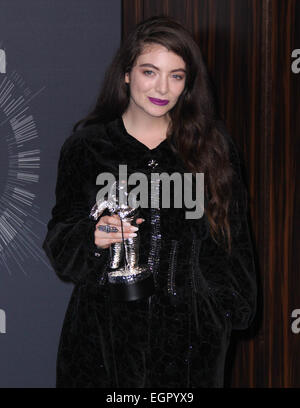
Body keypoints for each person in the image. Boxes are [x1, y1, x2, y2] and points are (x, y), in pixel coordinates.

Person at [42, 15, 257, 388]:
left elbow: (234, 244)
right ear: (127, 74)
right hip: (100, 346)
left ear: (188, 83)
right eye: (149, 71)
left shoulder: (213, 150)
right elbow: (60, 244)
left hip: (192, 349)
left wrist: (220, 314)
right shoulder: (87, 149)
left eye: (176, 75)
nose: (162, 87)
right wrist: (93, 236)